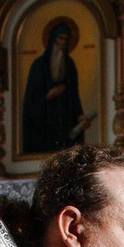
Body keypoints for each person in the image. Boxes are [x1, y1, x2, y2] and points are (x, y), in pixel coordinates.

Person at [21, 16, 87, 152]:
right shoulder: (39, 65)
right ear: (52, 39)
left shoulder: (69, 64)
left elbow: (74, 95)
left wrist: (79, 114)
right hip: (45, 122)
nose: (63, 43)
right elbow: (30, 101)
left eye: (66, 39)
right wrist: (47, 96)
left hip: (65, 121)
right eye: (60, 38)